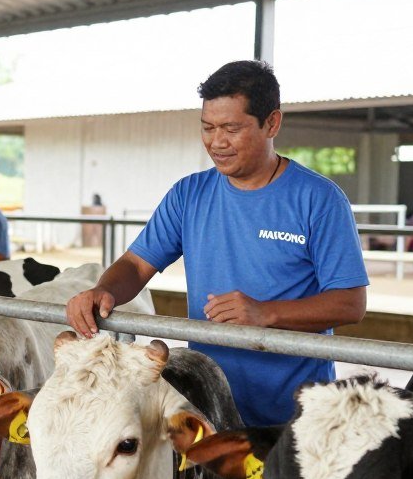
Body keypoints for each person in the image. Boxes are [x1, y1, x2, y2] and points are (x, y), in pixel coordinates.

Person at [66, 61, 368, 426]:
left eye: (231, 128)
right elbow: (135, 264)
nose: (217, 141)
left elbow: (351, 303)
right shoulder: (189, 194)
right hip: (208, 403)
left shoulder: (318, 199)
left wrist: (265, 314)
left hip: (293, 414)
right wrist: (103, 290)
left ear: (272, 123)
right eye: (208, 128)